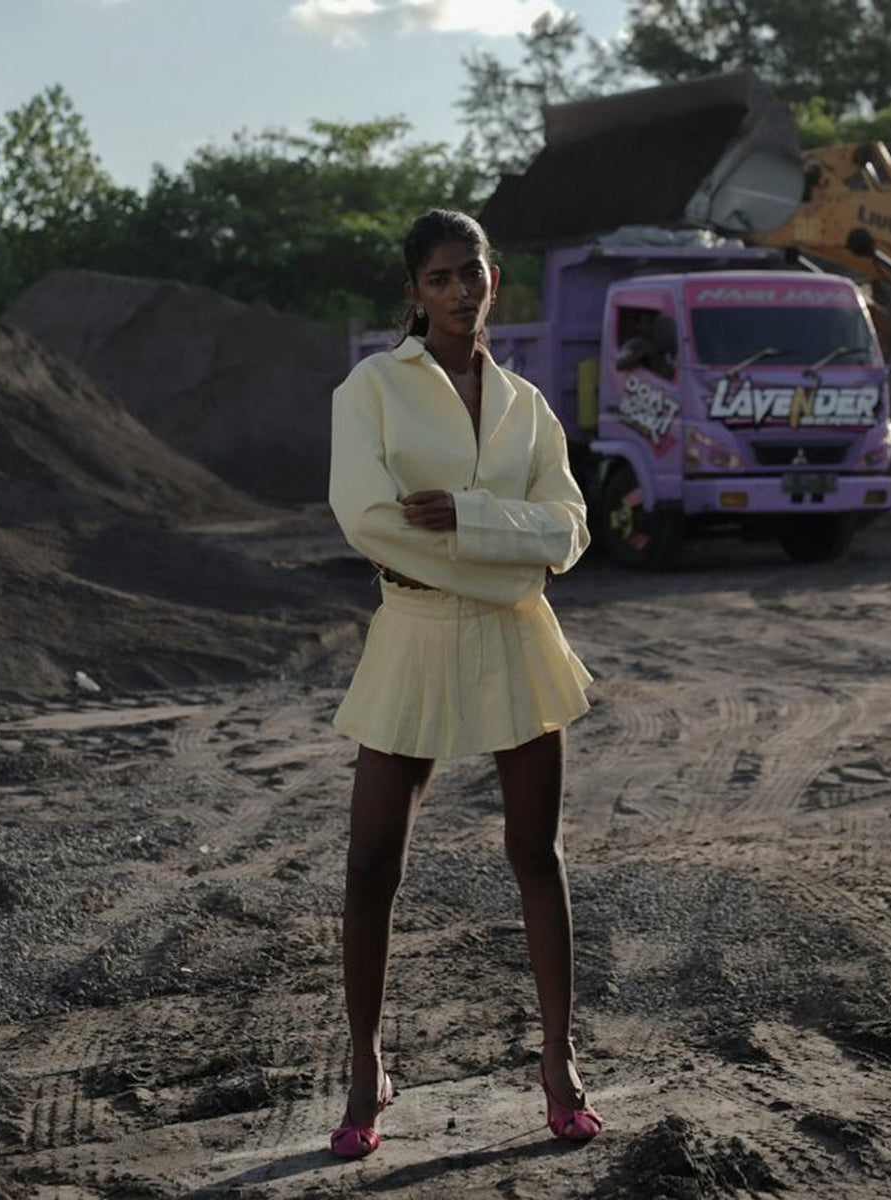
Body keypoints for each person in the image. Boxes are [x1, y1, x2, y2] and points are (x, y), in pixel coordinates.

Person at [326, 208, 602, 1159]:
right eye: (438, 278)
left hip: (515, 637)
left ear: (495, 282)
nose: (457, 292)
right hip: (412, 634)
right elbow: (367, 519)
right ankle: (366, 1067)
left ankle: (559, 1060)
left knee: (538, 856)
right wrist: (505, 553)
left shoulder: (530, 407)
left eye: (471, 274)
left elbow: (569, 531)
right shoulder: (369, 389)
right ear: (413, 292)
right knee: (370, 866)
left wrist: (476, 522)